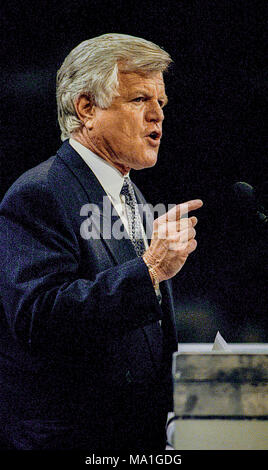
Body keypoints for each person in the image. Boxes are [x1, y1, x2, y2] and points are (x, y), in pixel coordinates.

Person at [0, 33, 202, 451]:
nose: (157, 117)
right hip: (74, 439)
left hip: (134, 435)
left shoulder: (131, 193)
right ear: (87, 108)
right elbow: (40, 317)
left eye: (160, 103)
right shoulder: (40, 192)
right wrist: (149, 270)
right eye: (139, 100)